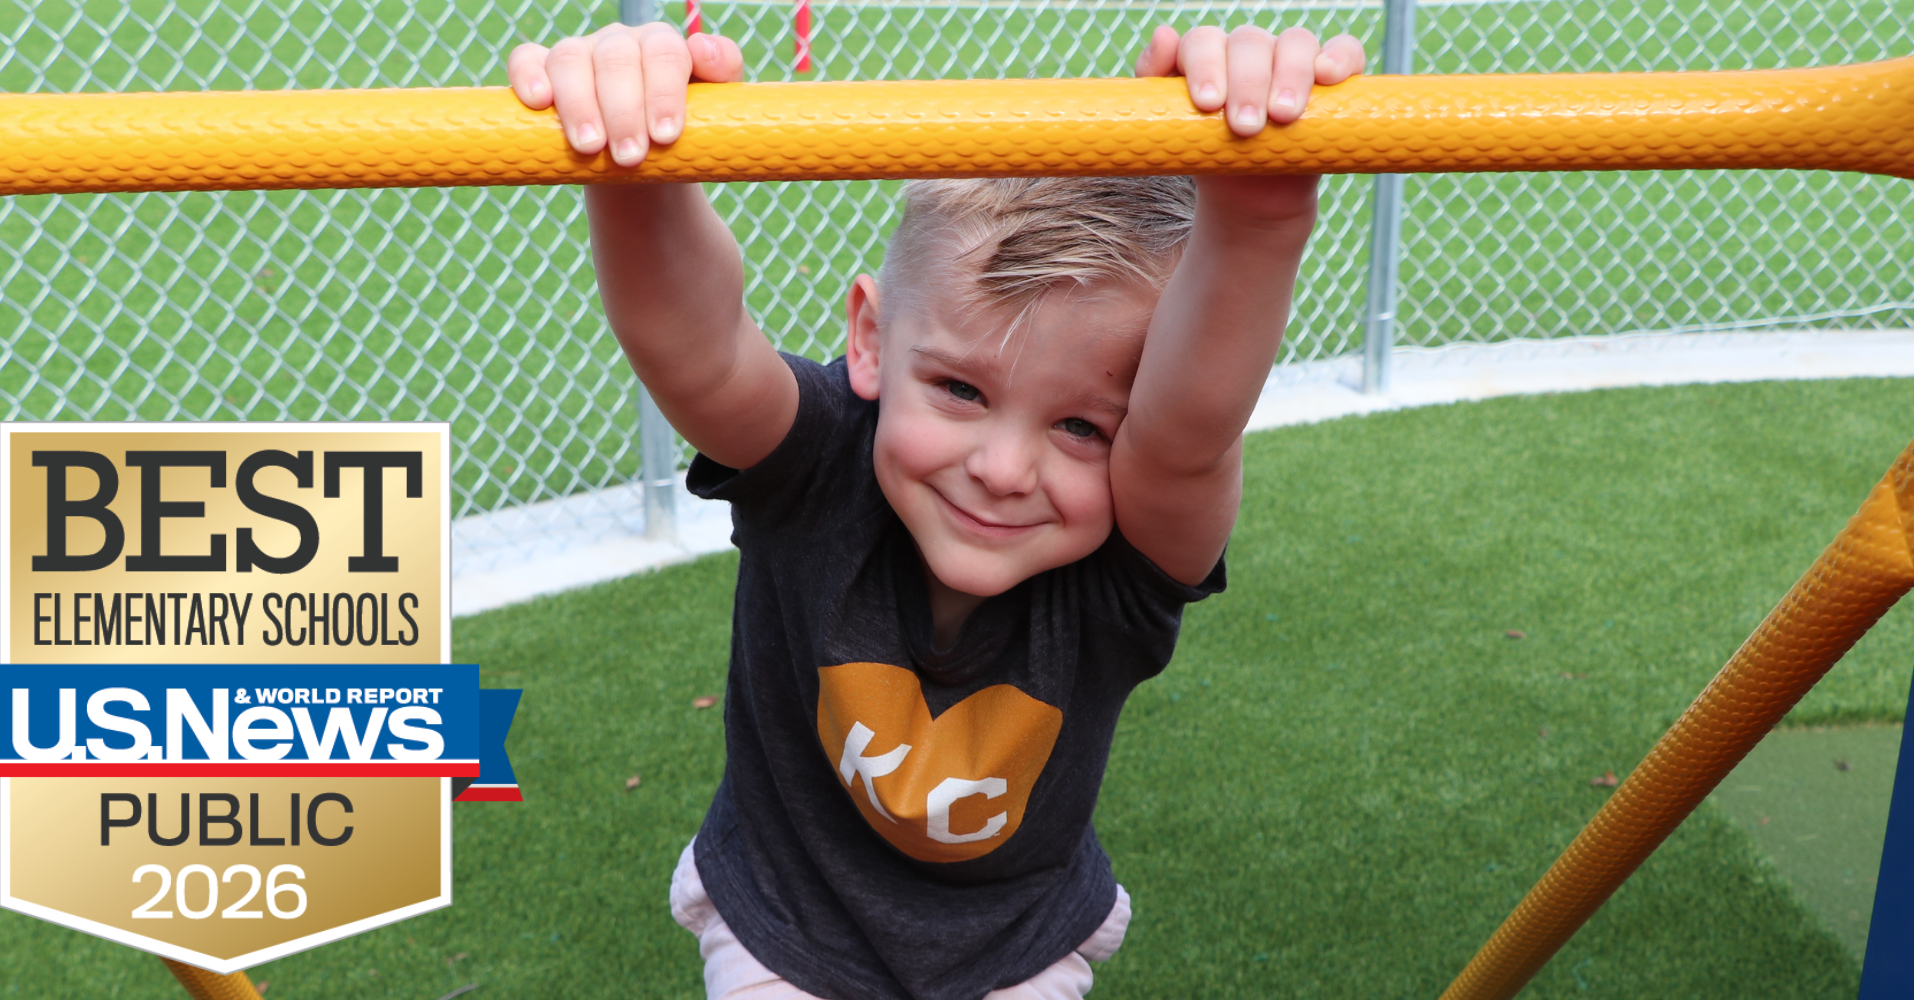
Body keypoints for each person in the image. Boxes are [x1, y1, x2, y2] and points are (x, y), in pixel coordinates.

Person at [507, 22, 1366, 1000]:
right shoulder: (821, 462)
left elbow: (1184, 436)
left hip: (1012, 947)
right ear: (870, 338)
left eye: (1082, 425)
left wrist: (1255, 220)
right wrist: (637, 169)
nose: (1003, 469)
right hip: (786, 923)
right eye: (959, 390)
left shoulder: (1127, 554)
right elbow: (691, 346)